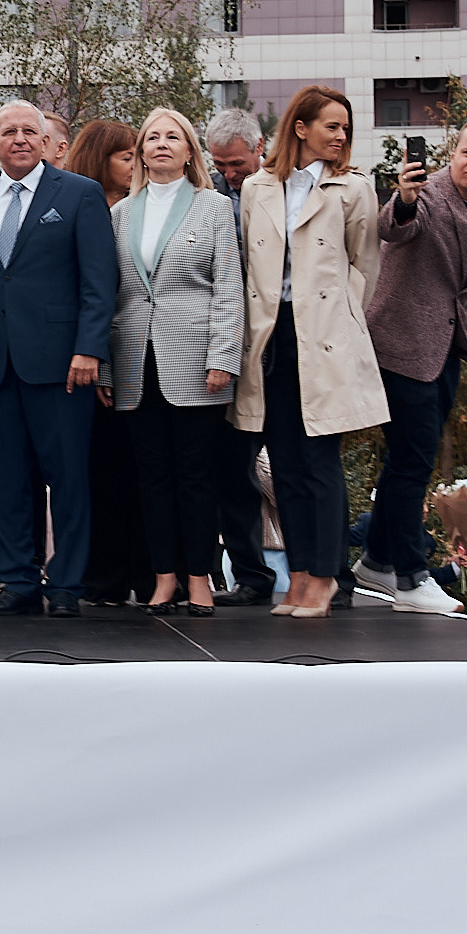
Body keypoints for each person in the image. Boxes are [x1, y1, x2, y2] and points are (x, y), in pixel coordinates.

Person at [0, 100, 119, 618]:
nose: (20, 139)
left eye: (30, 131)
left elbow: (99, 281)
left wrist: (89, 347)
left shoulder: (80, 195)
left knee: (66, 478)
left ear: (47, 143)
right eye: (9, 132)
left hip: (62, 364)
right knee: (5, 479)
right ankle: (19, 580)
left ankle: (66, 584)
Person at [230, 85, 385, 619]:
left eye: (345, 127)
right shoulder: (257, 187)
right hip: (272, 336)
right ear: (300, 128)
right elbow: (252, 266)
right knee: (284, 464)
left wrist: (341, 318)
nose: (340, 136)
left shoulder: (355, 189)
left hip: (325, 338)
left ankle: (325, 577)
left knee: (320, 462)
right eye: (330, 126)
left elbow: (365, 263)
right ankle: (296, 576)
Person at [356, 119, 467, 615]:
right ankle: (409, 574)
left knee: (405, 457)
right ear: (453, 153)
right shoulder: (425, 195)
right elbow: (393, 227)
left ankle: (376, 560)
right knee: (414, 461)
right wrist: (402, 196)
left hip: (446, 350)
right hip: (400, 343)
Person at [99, 109, 244, 617]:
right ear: (140, 152)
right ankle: (164, 579)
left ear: (189, 151)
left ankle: (200, 579)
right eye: (152, 137)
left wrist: (224, 356)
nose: (162, 144)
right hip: (135, 361)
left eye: (173, 137)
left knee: (197, 476)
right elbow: (111, 295)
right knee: (152, 477)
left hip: (198, 362)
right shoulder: (120, 214)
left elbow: (229, 287)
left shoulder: (214, 206)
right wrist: (108, 370)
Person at [64, 121, 152, 607]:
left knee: (144, 472)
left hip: (143, 360)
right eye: (126, 157)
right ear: (101, 160)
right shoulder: (85, 207)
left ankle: (149, 571)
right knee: (102, 473)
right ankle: (105, 577)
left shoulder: (143, 209)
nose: (136, 164)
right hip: (94, 362)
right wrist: (95, 356)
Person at [201, 108, 276, 606]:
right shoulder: (208, 196)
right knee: (231, 471)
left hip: (272, 349)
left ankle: (327, 573)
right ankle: (249, 575)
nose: (230, 174)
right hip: (222, 353)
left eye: (237, 164)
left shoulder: (278, 191)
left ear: (260, 148)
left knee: (288, 469)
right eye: (221, 165)